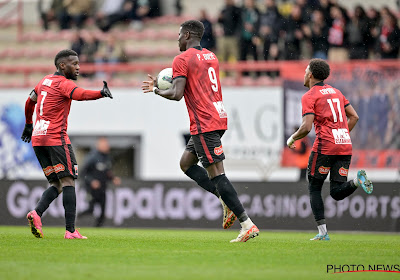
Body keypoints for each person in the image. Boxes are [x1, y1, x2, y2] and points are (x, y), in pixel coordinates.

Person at [142, 20, 259, 243]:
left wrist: (157, 89)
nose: (177, 39)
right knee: (186, 163)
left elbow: (177, 94)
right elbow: (196, 81)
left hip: (203, 122)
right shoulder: (211, 56)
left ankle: (247, 224)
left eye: (178, 35)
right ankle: (225, 200)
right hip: (218, 116)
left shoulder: (182, 59)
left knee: (217, 173)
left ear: (187, 35)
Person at [21, 49, 113, 239]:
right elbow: (79, 94)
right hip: (56, 138)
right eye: (75, 64)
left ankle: (36, 213)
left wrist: (29, 124)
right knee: (68, 180)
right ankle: (70, 231)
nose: (78, 68)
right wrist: (100, 93)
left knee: (56, 183)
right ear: (62, 65)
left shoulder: (43, 82)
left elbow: (29, 102)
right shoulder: (63, 83)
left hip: (39, 139)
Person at [286, 58, 373, 241]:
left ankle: (323, 233)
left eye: (305, 70)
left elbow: (307, 127)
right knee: (336, 191)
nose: (304, 73)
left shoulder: (309, 96)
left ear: (310, 74)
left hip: (325, 146)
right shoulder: (336, 92)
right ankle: (357, 181)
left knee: (314, 187)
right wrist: (340, 134)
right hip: (344, 145)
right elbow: (354, 117)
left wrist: (292, 137)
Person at [79, 137, 121, 227]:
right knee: (91, 209)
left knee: (103, 211)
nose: (107, 147)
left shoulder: (107, 158)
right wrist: (91, 181)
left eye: (107, 145)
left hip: (102, 188)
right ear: (98, 146)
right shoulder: (92, 157)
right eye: (104, 145)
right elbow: (83, 173)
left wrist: (113, 178)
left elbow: (107, 172)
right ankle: (76, 218)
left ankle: (97, 229)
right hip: (91, 189)